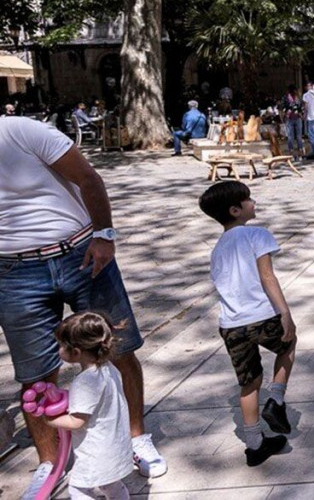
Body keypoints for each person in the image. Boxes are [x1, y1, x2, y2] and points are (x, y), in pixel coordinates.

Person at [0, 117, 165, 499]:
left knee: (118, 349)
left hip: (80, 252)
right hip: (13, 270)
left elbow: (89, 178)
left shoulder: (22, 131)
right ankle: (50, 463)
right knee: (35, 374)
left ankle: (136, 437)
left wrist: (104, 235)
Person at [198, 181, 296, 466]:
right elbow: (268, 278)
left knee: (249, 382)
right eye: (249, 199)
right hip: (262, 316)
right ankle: (276, 400)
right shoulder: (257, 234)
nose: (254, 202)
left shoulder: (216, 249)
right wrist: (285, 313)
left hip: (231, 324)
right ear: (236, 210)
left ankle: (254, 445)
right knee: (288, 344)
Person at [46, 312, 134, 500]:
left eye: (61, 345)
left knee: (78, 490)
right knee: (111, 484)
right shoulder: (109, 368)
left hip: (96, 452)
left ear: (76, 352)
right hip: (115, 446)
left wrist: (50, 419)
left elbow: (77, 421)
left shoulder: (85, 382)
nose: (59, 349)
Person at [280, 85, 304, 161]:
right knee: (290, 137)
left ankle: (301, 154)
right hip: (289, 119)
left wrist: (301, 114)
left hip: (297, 118)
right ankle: (292, 154)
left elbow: (301, 107)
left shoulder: (298, 98)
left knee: (299, 137)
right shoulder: (285, 98)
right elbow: (282, 108)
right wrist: (284, 116)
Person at [302, 81, 314, 159]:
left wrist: (304, 115)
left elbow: (306, 106)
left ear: (307, 87)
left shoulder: (306, 95)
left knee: (311, 136)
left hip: (311, 117)